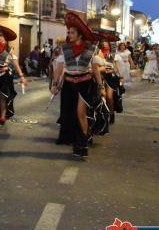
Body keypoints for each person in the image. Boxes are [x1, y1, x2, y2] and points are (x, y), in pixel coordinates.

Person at [51, 13, 105, 159]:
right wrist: (55, 84)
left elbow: (95, 70)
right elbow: (59, 69)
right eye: (68, 32)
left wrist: (100, 87)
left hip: (85, 84)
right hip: (69, 84)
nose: (69, 34)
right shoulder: (65, 49)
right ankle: (79, 141)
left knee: (80, 113)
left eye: (72, 32)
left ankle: (83, 144)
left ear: (80, 34)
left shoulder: (91, 49)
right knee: (70, 115)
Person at [0, 25, 27, 126]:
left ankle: (2, 116)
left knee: (3, 96)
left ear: (5, 37)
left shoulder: (9, 50)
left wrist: (22, 76)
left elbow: (15, 64)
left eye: (1, 35)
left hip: (4, 76)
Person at [95, 32, 124, 124]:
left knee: (109, 97)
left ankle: (111, 115)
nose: (105, 43)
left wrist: (121, 77)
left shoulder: (113, 54)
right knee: (99, 98)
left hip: (110, 78)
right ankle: (102, 117)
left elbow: (117, 68)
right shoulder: (97, 53)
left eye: (106, 42)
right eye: (103, 41)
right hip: (99, 76)